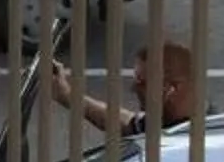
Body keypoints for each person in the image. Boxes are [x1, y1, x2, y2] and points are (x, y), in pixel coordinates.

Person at [50, 35, 195, 142]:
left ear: (171, 89)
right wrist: (66, 95)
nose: (133, 89)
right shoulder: (168, 119)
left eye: (142, 82)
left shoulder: (184, 143)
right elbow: (125, 123)